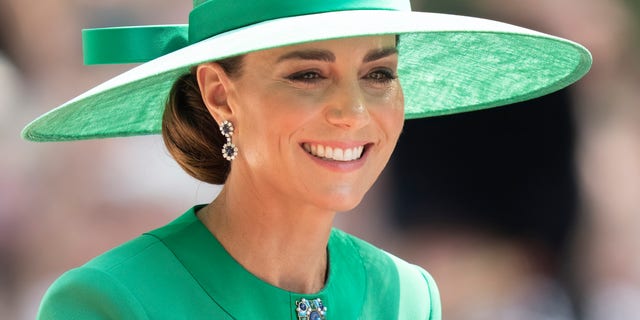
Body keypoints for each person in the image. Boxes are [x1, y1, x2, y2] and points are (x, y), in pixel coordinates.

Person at [21, 0, 591, 319]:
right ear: (221, 94)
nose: (352, 112)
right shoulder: (110, 302)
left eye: (378, 74)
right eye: (308, 75)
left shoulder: (408, 296)